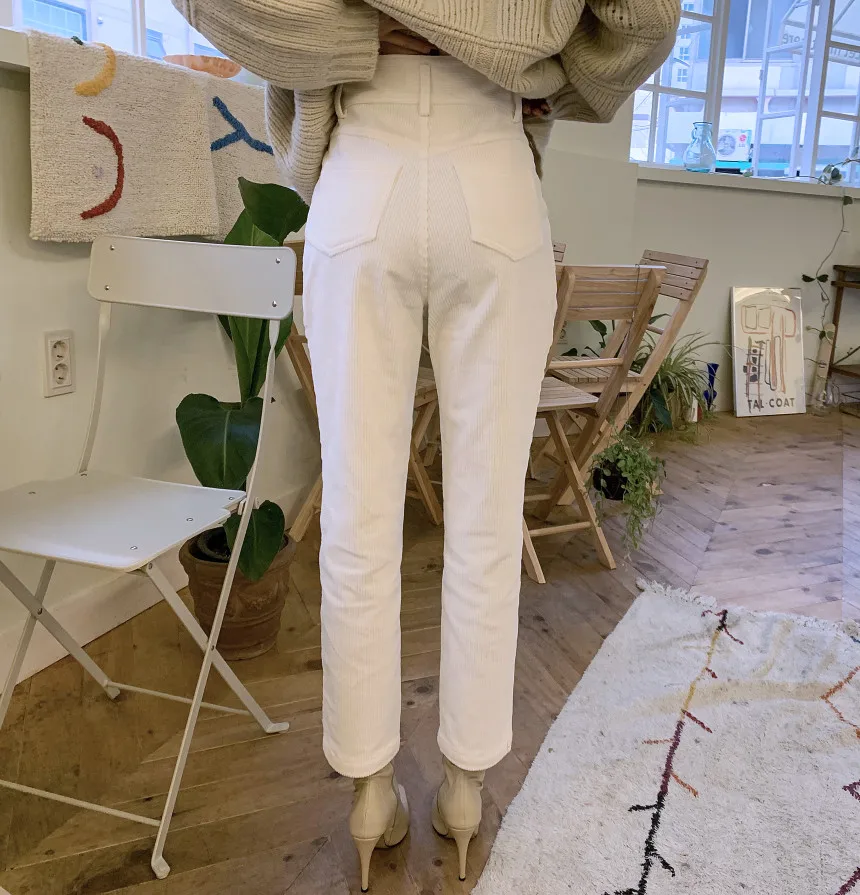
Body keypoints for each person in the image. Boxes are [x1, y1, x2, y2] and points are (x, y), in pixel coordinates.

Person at [171, 0, 680, 888]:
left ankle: (370, 789)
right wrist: (533, 61)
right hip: (493, 172)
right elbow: (643, 18)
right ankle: (466, 786)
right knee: (485, 523)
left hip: (362, 169)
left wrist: (356, 33)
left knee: (358, 518)